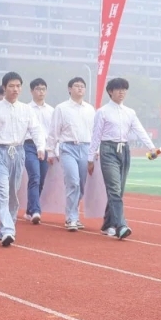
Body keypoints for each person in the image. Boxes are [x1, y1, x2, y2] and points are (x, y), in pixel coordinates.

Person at [88, 77, 161, 240]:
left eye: (124, 89)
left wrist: (151, 148)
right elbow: (96, 136)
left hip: (125, 150)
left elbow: (140, 130)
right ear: (110, 92)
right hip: (108, 150)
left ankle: (107, 224)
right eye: (118, 89)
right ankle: (121, 225)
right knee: (114, 189)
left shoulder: (130, 112)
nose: (122, 92)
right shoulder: (102, 112)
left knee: (118, 191)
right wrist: (90, 158)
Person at [0, 72, 47, 247]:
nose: (15, 89)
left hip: (18, 152)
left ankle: (3, 227)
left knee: (12, 194)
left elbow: (36, 129)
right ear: (4, 87)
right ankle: (9, 230)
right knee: (2, 192)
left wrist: (40, 147)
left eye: (18, 86)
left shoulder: (26, 109)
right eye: (11, 86)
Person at [48, 76, 95, 231]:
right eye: (76, 85)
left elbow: (94, 132)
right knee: (73, 181)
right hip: (68, 148)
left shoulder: (90, 109)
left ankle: (74, 212)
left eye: (82, 86)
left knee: (81, 184)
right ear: (69, 89)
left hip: (86, 148)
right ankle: (71, 217)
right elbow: (54, 131)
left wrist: (95, 151)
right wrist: (50, 151)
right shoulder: (61, 108)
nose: (80, 88)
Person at [24, 77, 55, 223]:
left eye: (43, 89)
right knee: (34, 177)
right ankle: (36, 210)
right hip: (29, 146)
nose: (41, 92)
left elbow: (54, 132)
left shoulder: (51, 111)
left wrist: (52, 150)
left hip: (45, 147)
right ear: (31, 91)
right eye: (37, 89)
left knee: (41, 180)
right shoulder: (25, 109)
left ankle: (30, 209)